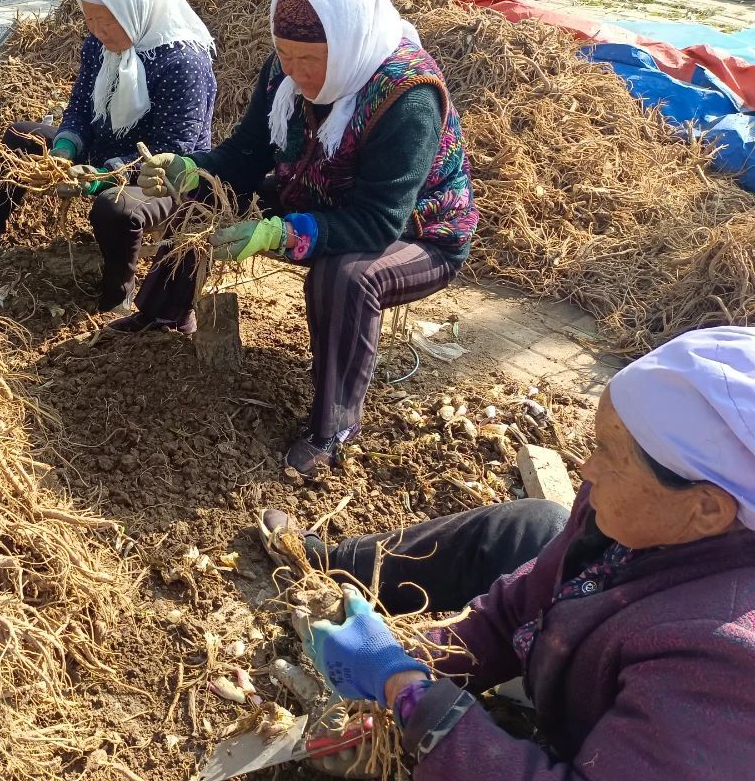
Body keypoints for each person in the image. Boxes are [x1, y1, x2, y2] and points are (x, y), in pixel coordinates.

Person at [262, 325, 755, 781]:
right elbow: (513, 610)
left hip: (609, 752)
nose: (586, 468)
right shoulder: (641, 514)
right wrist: (410, 665)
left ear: (708, 508)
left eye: (609, 455)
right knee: (536, 523)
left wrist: (411, 695)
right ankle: (332, 563)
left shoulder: (724, 662)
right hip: (577, 659)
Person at [124, 0, 478, 475]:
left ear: (349, 42)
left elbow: (378, 222)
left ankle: (334, 426)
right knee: (206, 198)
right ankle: (164, 309)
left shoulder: (408, 95)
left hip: (418, 232)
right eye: (284, 55)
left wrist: (276, 232)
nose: (295, 72)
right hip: (315, 198)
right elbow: (245, 158)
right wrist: (188, 170)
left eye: (310, 59)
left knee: (347, 276)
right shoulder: (284, 74)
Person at [0, 0, 216, 311]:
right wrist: (65, 148)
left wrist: (103, 177)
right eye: (90, 19)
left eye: (107, 20)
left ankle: (117, 297)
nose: (97, 30)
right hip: (102, 152)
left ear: (135, 8)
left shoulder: (182, 61)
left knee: (115, 208)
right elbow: (79, 107)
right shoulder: (99, 45)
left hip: (162, 177)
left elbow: (173, 148)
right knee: (21, 136)